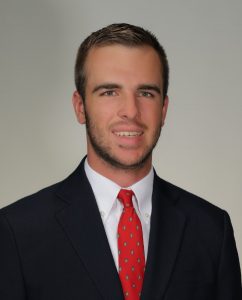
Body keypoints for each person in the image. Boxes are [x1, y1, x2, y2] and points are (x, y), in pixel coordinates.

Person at [0, 23, 241, 300]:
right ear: (80, 107)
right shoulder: (16, 231)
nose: (131, 111)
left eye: (146, 93)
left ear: (163, 109)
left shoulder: (211, 230)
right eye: (110, 92)